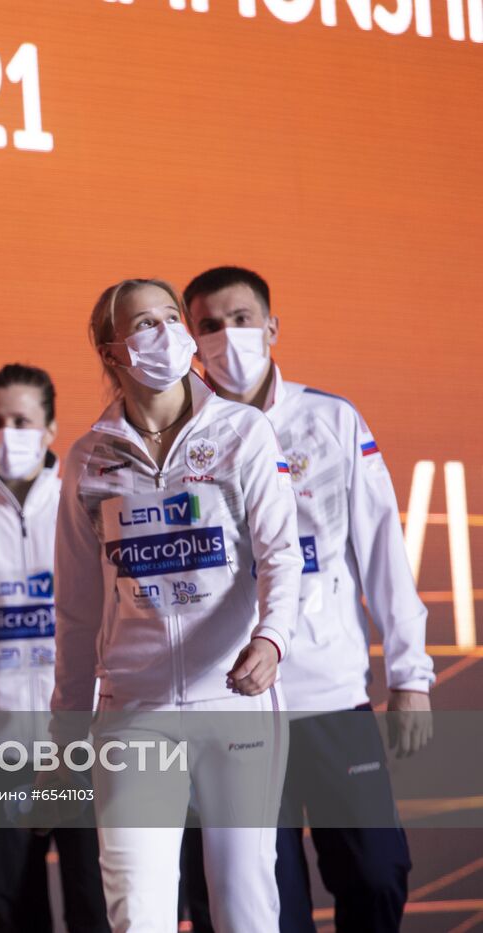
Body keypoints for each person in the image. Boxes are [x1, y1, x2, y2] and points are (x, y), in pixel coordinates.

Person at [182, 265, 434, 933]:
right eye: (209, 325)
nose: (227, 336)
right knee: (266, 906)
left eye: (241, 319)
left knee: (377, 872)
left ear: (272, 326)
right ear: (192, 340)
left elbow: (382, 550)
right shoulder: (181, 440)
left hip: (328, 693)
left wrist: (410, 675)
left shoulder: (332, 419)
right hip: (230, 704)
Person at [51, 278, 302, 932]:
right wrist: (67, 721)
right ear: (110, 351)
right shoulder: (88, 460)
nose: (165, 332)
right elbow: (76, 607)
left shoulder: (241, 430)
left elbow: (281, 553)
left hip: (234, 702)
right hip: (134, 709)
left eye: (171, 317)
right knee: (137, 910)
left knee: (244, 907)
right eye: (144, 324)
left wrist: (271, 638)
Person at [0, 363, 109, 933]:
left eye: (22, 421)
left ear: (50, 429)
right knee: (7, 917)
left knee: (98, 909)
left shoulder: (84, 505)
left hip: (83, 749)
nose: (6, 433)